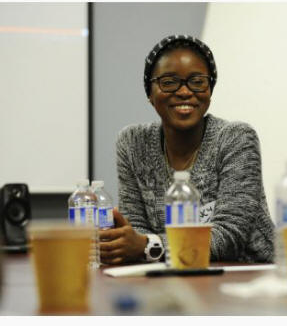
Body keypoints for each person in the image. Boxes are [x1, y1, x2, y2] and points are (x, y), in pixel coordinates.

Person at [99, 35, 274, 265]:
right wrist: (130, 243)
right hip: (177, 276)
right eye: (169, 82)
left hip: (252, 277)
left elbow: (230, 237)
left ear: (210, 90)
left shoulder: (236, 138)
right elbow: (136, 230)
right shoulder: (133, 143)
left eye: (197, 81)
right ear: (150, 94)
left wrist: (149, 246)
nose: (184, 91)